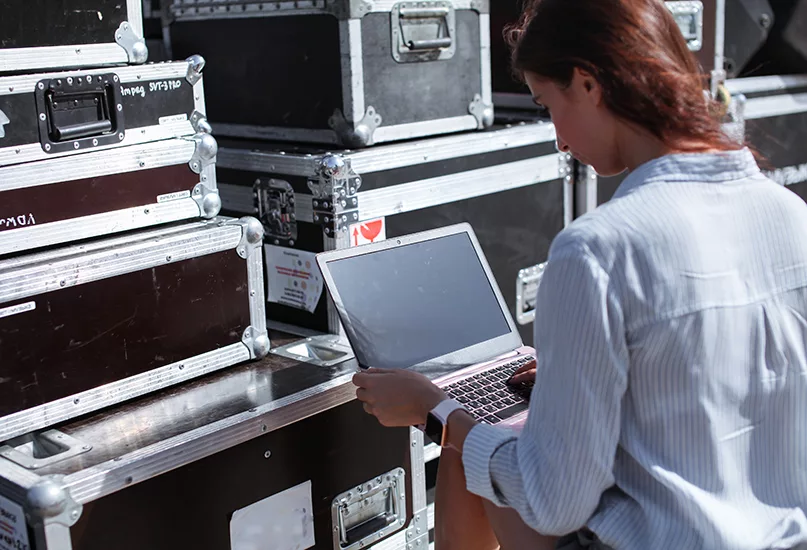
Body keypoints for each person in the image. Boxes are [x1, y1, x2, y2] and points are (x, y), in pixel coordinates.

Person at [353, 0, 807, 548]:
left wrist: (434, 411)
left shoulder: (596, 251)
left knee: (470, 448)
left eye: (548, 106)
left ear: (588, 85)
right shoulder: (790, 213)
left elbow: (553, 501)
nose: (560, 140)